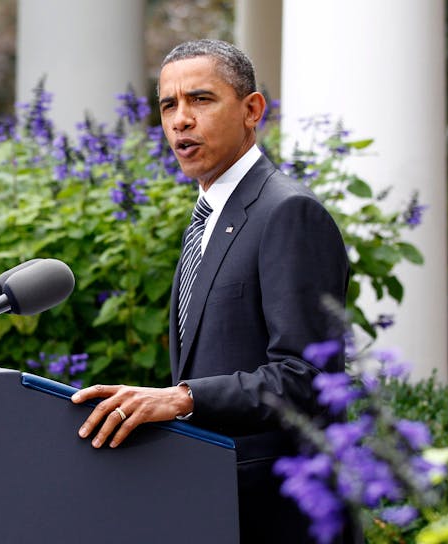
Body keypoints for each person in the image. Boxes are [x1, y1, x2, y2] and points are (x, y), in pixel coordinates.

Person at [71, 39, 352, 543]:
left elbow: (308, 376)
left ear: (252, 110)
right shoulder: (205, 220)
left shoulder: (288, 212)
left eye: (200, 99)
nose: (180, 119)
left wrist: (182, 399)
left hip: (284, 518)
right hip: (214, 508)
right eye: (167, 105)